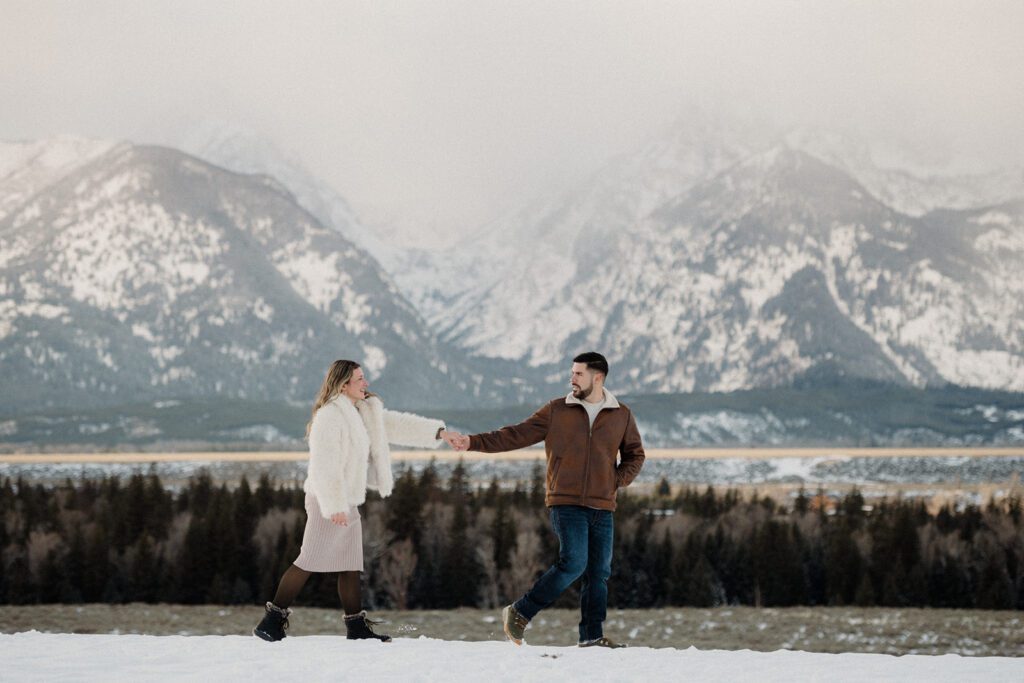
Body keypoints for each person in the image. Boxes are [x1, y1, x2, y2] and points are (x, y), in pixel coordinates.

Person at [254, 359, 463, 642]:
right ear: (343, 385)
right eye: (360, 379)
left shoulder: (362, 410)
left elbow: (396, 424)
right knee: (308, 560)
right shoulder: (329, 417)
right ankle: (272, 620)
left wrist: (439, 433)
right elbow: (323, 466)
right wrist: (334, 506)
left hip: (347, 498)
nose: (366, 383)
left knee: (350, 562)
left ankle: (355, 627)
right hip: (326, 499)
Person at [450, 351, 645, 648]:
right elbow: (515, 435)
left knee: (599, 572)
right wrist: (473, 442)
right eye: (573, 372)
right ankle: (520, 612)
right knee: (574, 563)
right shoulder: (557, 410)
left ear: (598, 377)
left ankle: (592, 636)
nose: (572, 378)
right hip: (565, 503)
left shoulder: (621, 414)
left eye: (579, 373)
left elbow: (635, 455)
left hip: (602, 506)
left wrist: (615, 481)